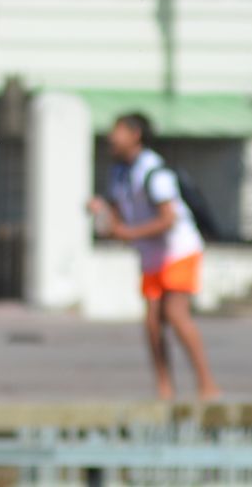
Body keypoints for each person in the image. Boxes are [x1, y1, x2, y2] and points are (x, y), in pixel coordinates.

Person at [89, 112, 221, 401]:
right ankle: (164, 386)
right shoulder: (120, 172)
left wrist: (129, 234)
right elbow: (120, 212)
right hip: (152, 255)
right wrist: (102, 211)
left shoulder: (154, 170)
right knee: (152, 321)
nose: (112, 136)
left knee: (175, 314)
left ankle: (206, 384)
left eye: (118, 130)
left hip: (178, 250)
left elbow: (168, 219)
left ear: (135, 134)